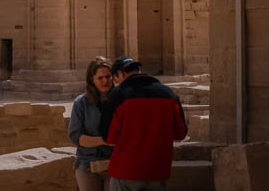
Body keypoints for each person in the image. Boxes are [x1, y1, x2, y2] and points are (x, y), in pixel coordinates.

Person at [100, 56, 187, 191]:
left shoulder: (118, 95)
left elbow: (108, 137)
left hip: (125, 171)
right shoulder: (169, 94)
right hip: (158, 171)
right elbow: (180, 133)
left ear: (120, 74)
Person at [69, 56, 115, 191]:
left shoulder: (120, 101)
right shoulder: (81, 103)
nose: (105, 81)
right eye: (100, 78)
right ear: (92, 80)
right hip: (87, 164)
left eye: (108, 76)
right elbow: (76, 137)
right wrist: (104, 140)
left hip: (115, 164)